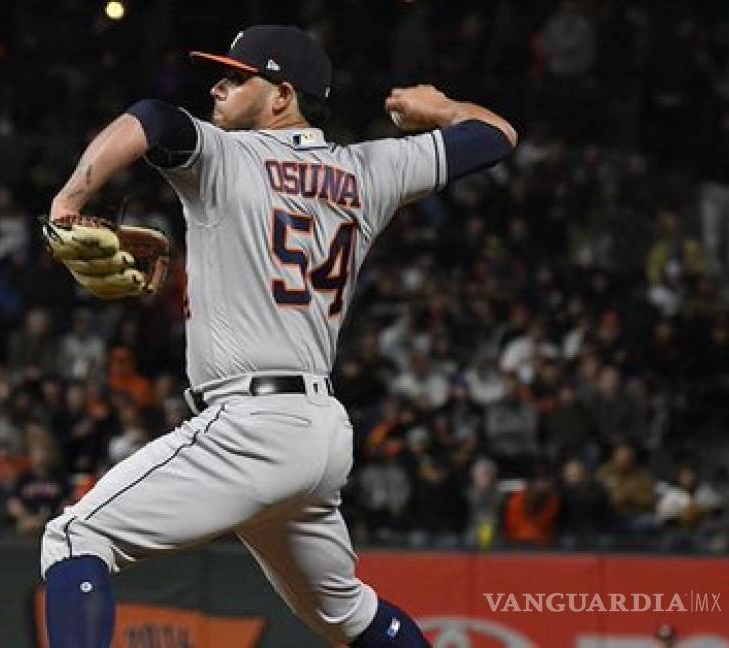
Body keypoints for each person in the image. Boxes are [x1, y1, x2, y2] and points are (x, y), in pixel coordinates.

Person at [39, 24, 516, 647]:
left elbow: (152, 118)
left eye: (237, 78)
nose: (218, 86)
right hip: (318, 432)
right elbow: (497, 136)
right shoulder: (369, 169)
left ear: (281, 96)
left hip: (250, 424)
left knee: (75, 538)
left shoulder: (223, 156)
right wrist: (443, 109)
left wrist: (69, 200)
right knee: (348, 615)